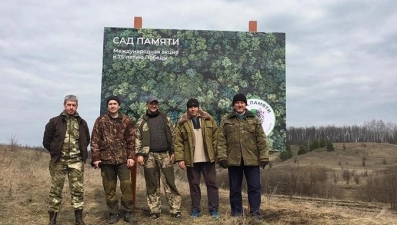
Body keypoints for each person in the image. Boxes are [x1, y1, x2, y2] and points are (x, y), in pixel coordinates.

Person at [217, 93, 270, 219]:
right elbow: (221, 140)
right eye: (237, 103)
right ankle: (236, 213)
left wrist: (264, 157)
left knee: (254, 187)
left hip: (251, 160)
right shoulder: (226, 120)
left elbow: (261, 139)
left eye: (242, 102)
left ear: (245, 104)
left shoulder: (254, 119)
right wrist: (222, 157)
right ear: (233, 105)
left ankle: (255, 213)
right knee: (235, 189)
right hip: (233, 160)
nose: (239, 105)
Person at [43, 94, 90, 225]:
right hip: (59, 162)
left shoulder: (82, 122)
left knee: (78, 190)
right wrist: (55, 152)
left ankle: (79, 219)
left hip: (76, 162)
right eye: (68, 105)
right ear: (64, 105)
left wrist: (80, 155)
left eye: (73, 105)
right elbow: (46, 141)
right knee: (55, 190)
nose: (71, 108)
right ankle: (52, 219)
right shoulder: (54, 122)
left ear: (77, 106)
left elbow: (86, 139)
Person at [90, 95, 137, 224]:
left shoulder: (127, 121)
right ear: (107, 106)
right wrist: (96, 158)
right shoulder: (100, 121)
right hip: (106, 161)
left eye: (115, 103)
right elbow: (95, 140)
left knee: (126, 185)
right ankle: (113, 213)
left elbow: (131, 140)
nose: (112, 106)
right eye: (110, 104)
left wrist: (131, 157)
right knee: (109, 187)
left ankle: (127, 212)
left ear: (119, 106)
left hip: (123, 160)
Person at [135, 95, 182, 219]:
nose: (153, 105)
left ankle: (175, 210)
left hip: (165, 155)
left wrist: (174, 152)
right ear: (147, 105)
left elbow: (173, 135)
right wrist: (139, 154)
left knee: (170, 183)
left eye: (155, 103)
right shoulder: (141, 121)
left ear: (158, 105)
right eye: (151, 103)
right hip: (148, 157)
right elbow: (137, 139)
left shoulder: (165, 117)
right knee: (152, 184)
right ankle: (154, 210)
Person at [174, 98, 220, 219]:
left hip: (208, 159)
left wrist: (216, 154)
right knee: (194, 185)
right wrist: (180, 159)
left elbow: (216, 138)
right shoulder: (182, 123)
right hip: (192, 160)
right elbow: (178, 143)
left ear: (198, 107)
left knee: (212, 184)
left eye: (195, 107)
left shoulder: (208, 120)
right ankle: (195, 209)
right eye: (190, 107)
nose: (193, 109)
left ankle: (214, 209)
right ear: (188, 109)